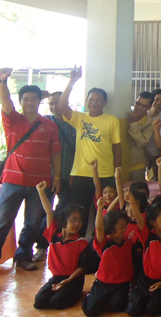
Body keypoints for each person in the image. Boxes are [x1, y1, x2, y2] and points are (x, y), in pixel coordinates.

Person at [0, 68, 62, 273]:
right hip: (12, 181)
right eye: (25, 99)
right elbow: (5, 102)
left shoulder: (50, 125)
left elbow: (55, 153)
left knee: (32, 223)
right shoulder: (13, 120)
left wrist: (57, 177)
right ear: (20, 101)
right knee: (2, 223)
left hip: (40, 184)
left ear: (39, 101)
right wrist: (2, 80)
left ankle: (23, 256)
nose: (29, 102)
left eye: (33, 99)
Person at [58, 67, 121, 236]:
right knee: (80, 212)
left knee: (106, 212)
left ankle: (100, 246)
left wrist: (117, 170)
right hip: (82, 174)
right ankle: (79, 244)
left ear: (104, 102)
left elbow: (117, 146)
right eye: (91, 99)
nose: (94, 102)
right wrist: (72, 82)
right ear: (86, 100)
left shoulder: (112, 120)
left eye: (98, 100)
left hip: (106, 173)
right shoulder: (80, 118)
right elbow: (61, 106)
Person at [33, 90, 78, 263]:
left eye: (57, 103)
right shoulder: (43, 123)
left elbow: (79, 152)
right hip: (46, 177)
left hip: (68, 176)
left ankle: (60, 242)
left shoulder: (75, 123)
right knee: (41, 212)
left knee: (62, 211)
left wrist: (75, 174)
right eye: (51, 103)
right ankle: (41, 247)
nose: (54, 107)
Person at [83, 195, 144, 317]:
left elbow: (133, 263)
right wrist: (100, 209)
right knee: (90, 311)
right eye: (121, 227)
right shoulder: (104, 243)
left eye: (125, 227)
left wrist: (132, 202)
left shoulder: (128, 242)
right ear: (111, 227)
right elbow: (99, 228)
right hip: (104, 282)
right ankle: (93, 295)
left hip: (122, 283)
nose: (124, 230)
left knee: (118, 306)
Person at [33, 182, 91, 310]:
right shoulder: (54, 235)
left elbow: (83, 268)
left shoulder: (82, 243)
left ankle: (73, 293)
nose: (77, 224)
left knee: (56, 303)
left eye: (80, 220)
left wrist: (68, 281)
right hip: (56, 278)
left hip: (73, 280)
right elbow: (49, 212)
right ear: (64, 221)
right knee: (39, 302)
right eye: (73, 220)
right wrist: (41, 192)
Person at [123, 91, 155, 182]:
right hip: (121, 161)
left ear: (149, 107)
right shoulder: (125, 115)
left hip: (138, 163)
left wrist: (133, 123)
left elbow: (141, 142)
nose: (139, 107)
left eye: (144, 106)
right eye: (138, 103)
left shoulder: (150, 124)